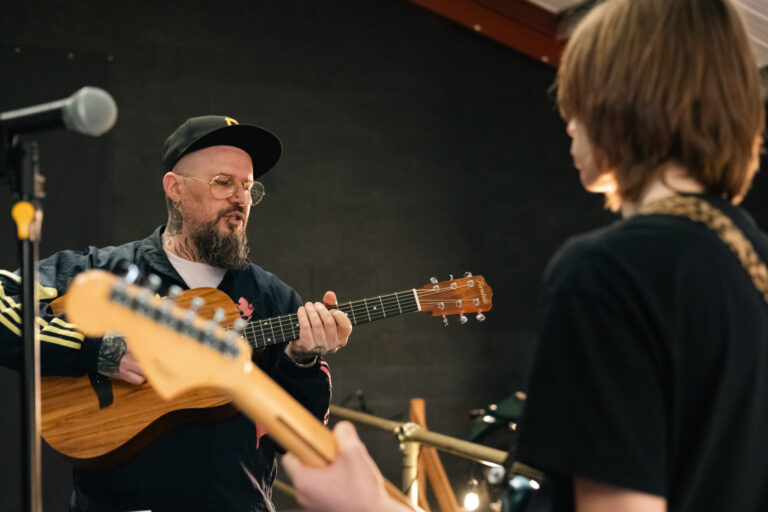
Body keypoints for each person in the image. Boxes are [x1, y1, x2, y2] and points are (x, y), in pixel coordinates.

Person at [282, 0, 768, 510]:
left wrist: (369, 506)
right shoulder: (751, 259)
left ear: (622, 103)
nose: (569, 120)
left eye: (578, 97)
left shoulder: (608, 271)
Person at [0, 115, 353, 511]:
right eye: (223, 183)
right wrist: (95, 348)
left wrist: (302, 361)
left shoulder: (274, 298)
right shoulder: (104, 271)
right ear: (175, 189)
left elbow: (300, 440)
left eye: (248, 187)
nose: (240, 199)